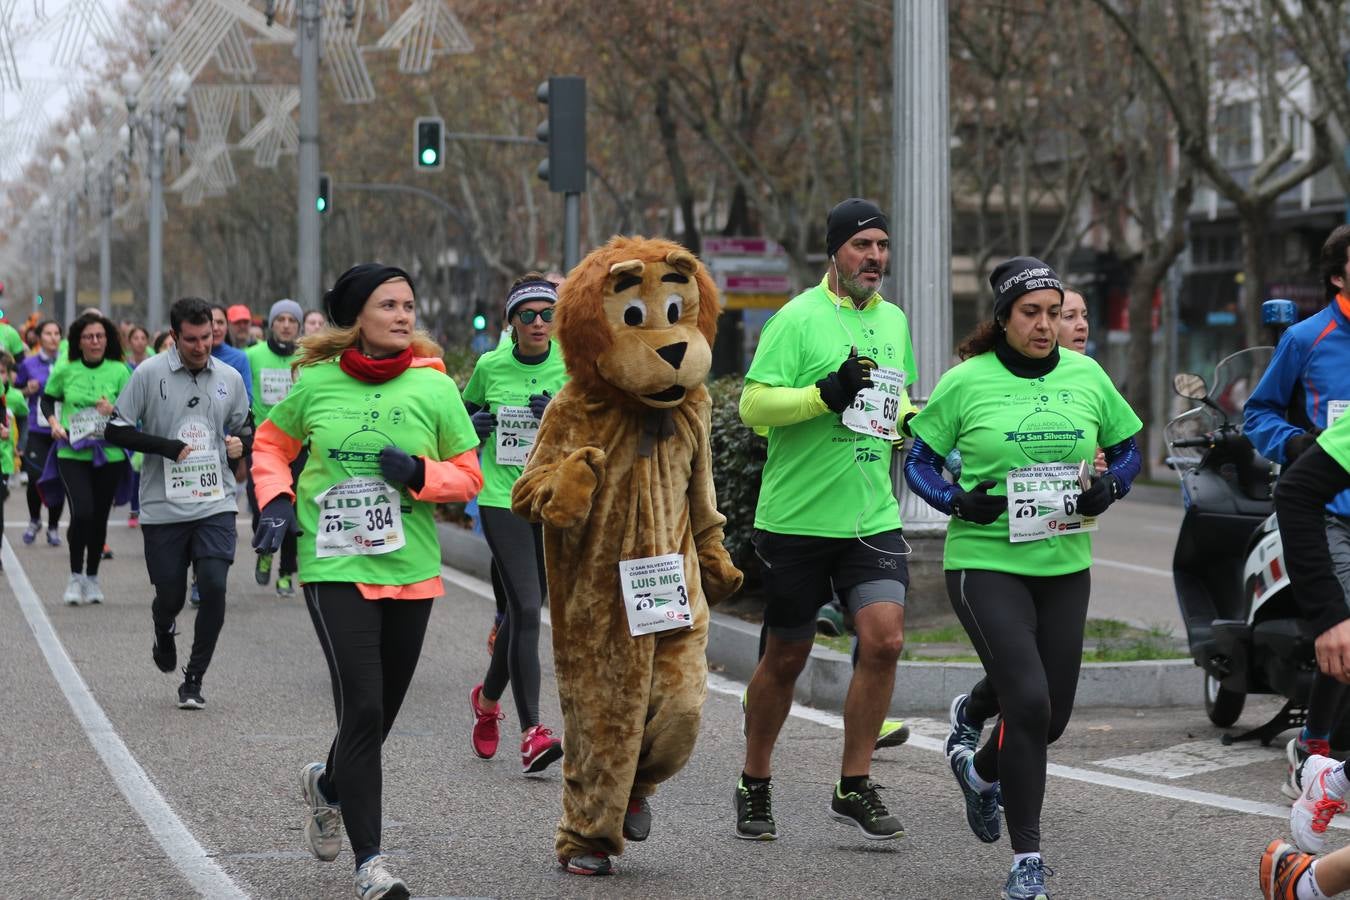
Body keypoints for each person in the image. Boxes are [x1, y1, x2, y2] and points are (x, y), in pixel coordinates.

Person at [904, 256, 1142, 900]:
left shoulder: (1087, 375)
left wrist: (1113, 487)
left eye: (1053, 313)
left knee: (1050, 718)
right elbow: (919, 462)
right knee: (1028, 703)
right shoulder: (967, 381)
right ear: (1004, 318)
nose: (1044, 325)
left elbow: (1127, 450)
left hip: (1064, 564)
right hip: (985, 562)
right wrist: (956, 501)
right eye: (1030, 313)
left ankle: (980, 772)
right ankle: (1027, 861)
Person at [251, 264, 481, 900]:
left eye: (408, 304)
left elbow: (469, 475)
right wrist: (276, 501)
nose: (403, 315)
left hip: (410, 568)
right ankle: (371, 864)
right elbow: (269, 446)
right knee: (364, 706)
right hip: (334, 564)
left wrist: (420, 474)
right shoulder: (315, 382)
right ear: (357, 317)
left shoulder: (435, 386)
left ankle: (329, 785)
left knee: (378, 716)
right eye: (388, 305)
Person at [736, 198, 917, 842]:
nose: (875, 257)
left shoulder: (894, 321)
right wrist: (824, 395)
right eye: (862, 245)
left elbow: (893, 401)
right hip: (798, 520)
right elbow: (753, 405)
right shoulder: (797, 318)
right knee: (786, 655)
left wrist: (911, 424)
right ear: (835, 252)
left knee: (885, 640)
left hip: (871, 516)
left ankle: (854, 783)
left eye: (882, 246)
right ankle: (755, 780)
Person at [1244, 224, 1350, 799]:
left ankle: (1316, 749)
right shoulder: (1308, 337)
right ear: (1337, 275)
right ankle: (1316, 755)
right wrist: (1297, 444)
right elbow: (1258, 413)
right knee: (1346, 620)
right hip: (1326, 508)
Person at [104, 297, 250, 709]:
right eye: (191, 340)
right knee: (170, 595)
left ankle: (194, 679)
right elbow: (115, 430)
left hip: (215, 501)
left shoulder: (229, 377)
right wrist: (165, 446)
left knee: (214, 586)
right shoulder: (149, 374)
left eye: (207, 337)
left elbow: (245, 426)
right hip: (163, 505)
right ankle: (163, 625)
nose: (201, 346)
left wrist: (241, 444)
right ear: (174, 336)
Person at [462, 274, 567, 773]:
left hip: (552, 497)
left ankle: (486, 701)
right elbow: (457, 423)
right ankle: (532, 733)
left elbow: (595, 432)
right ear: (512, 322)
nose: (539, 322)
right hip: (501, 498)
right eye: (528, 315)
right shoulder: (490, 366)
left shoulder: (572, 365)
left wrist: (558, 419)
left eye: (548, 313)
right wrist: (472, 426)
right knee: (525, 606)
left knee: (526, 612)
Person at [39, 312, 133, 606]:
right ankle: (74, 576)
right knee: (82, 512)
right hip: (72, 451)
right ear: (78, 342)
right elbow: (47, 399)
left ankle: (92, 578)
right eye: (88, 337)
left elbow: (133, 411)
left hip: (109, 453)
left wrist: (113, 409)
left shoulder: (120, 370)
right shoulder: (66, 369)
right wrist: (54, 423)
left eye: (100, 336)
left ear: (107, 339)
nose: (95, 341)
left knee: (99, 516)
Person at [244, 299, 303, 596]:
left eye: (292, 320)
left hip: (299, 446)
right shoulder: (252, 356)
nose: (286, 325)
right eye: (281, 319)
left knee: (293, 510)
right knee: (260, 507)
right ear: (271, 324)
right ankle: (266, 550)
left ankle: (286, 572)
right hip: (264, 446)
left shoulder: (307, 358)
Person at [16, 319, 64, 546]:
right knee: (35, 478)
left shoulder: (68, 363)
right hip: (38, 430)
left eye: (56, 333)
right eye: (48, 333)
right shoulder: (29, 364)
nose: (53, 338)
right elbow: (15, 392)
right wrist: (28, 389)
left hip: (61, 431)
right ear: (39, 337)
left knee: (58, 479)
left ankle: (53, 527)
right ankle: (35, 519)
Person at [208, 303, 254, 404]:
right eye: (211, 323)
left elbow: (247, 399)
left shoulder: (239, 358)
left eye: (220, 322)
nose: (216, 328)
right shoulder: (194, 355)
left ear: (227, 326)